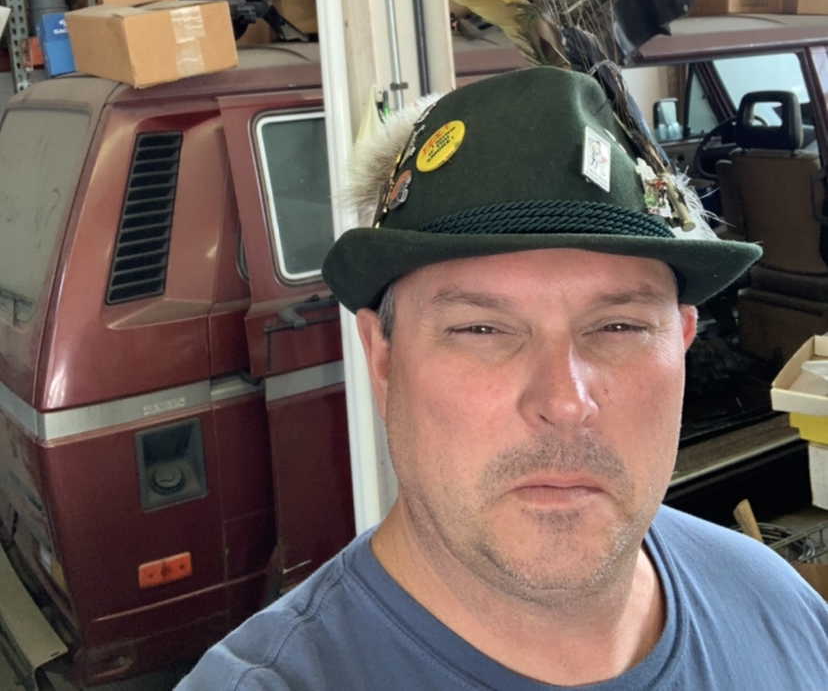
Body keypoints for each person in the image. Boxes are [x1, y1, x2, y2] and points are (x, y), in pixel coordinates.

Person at [178, 68, 828, 690]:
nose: (565, 401)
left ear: (682, 343)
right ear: (383, 360)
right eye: (481, 329)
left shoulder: (777, 609)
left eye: (619, 326)